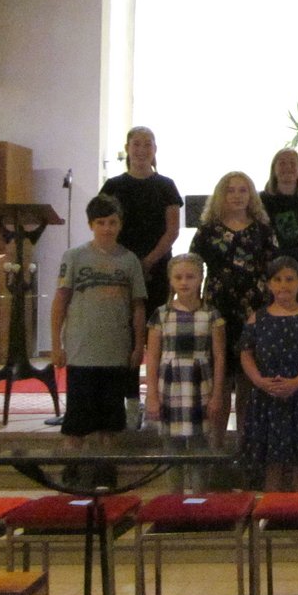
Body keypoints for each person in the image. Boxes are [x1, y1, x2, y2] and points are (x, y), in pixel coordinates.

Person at [51, 194, 147, 451]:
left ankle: (106, 470)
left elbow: (138, 306)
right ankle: (72, 472)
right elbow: (61, 300)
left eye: (112, 222)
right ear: (91, 224)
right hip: (82, 350)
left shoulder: (129, 260)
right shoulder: (74, 257)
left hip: (115, 350)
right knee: (77, 422)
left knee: (110, 422)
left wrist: (139, 345)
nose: (107, 228)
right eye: (101, 222)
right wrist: (56, 344)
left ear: (120, 224)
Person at [100, 125, 182, 427]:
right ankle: (130, 403)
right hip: (120, 268)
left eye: (148, 144)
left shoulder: (166, 186)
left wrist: (147, 262)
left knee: (155, 336)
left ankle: (156, 402)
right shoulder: (113, 185)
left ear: (155, 150)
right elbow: (103, 226)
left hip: (158, 268)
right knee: (126, 339)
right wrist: (127, 264)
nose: (142, 149)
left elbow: (172, 231)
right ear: (128, 148)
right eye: (136, 144)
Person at [190, 171, 279, 433]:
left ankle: (245, 449)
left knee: (248, 382)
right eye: (231, 190)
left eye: (243, 190)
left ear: (251, 195)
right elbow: (194, 267)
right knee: (218, 381)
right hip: (218, 309)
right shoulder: (208, 230)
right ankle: (215, 448)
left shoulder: (263, 229)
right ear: (221, 195)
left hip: (254, 311)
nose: (237, 196)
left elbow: (274, 271)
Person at [240, 256, 298, 491]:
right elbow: (245, 353)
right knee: (273, 460)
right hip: (268, 398)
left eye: (290, 279)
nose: (283, 285)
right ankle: (272, 514)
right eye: (277, 279)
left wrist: (296, 382)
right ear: (269, 284)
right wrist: (259, 381)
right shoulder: (258, 318)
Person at [145, 253, 226, 490]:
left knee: (200, 444)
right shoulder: (161, 315)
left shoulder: (212, 315)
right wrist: (151, 394)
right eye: (178, 277)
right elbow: (153, 356)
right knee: (172, 448)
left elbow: (219, 356)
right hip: (169, 386)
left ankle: (199, 500)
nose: (184, 282)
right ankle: (174, 501)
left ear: (200, 279)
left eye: (190, 277)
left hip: (200, 384)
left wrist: (218, 394)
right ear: (170, 280)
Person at [259, 147, 298, 286]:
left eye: (292, 163)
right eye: (282, 163)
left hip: (296, 263)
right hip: (265, 264)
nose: (287, 167)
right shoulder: (260, 201)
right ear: (274, 170)